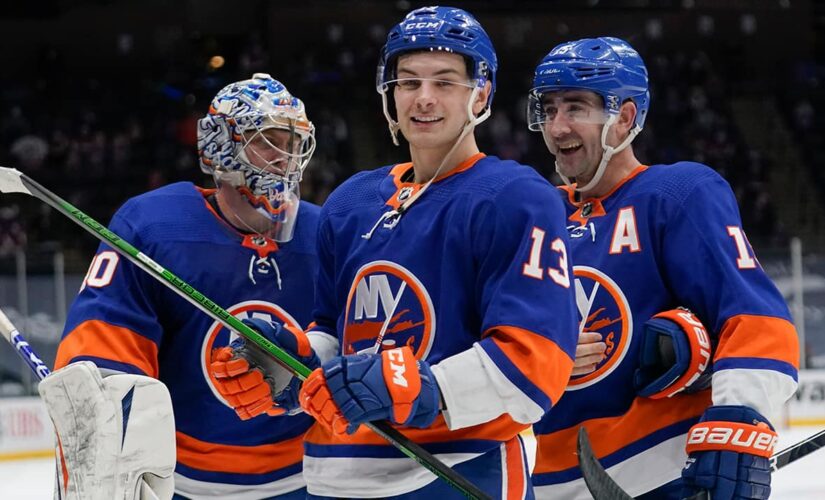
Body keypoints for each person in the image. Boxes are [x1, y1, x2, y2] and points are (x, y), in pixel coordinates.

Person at [209, 6, 579, 499]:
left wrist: (424, 386)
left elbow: (537, 363)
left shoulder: (514, 196)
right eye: (408, 82)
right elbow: (332, 333)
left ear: (482, 93)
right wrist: (291, 364)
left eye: (444, 82)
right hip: (333, 476)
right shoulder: (350, 201)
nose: (423, 99)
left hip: (458, 472)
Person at [525, 37, 799, 499]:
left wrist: (739, 417)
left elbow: (757, 321)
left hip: (666, 472)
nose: (557, 127)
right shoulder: (536, 217)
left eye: (576, 108)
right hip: (553, 482)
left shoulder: (677, 195)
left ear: (625, 117)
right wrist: (537, 355)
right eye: (549, 110)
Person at [41, 74, 320, 499]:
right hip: (182, 483)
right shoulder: (155, 226)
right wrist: (101, 419)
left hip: (307, 478)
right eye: (267, 141)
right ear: (221, 146)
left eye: (293, 142)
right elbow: (104, 350)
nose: (284, 157)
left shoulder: (326, 232)